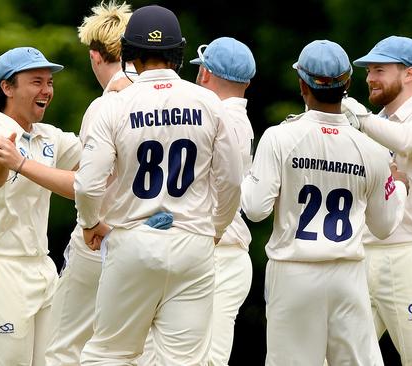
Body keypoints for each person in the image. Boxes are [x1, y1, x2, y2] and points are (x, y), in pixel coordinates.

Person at [74, 5, 243, 365]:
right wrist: (214, 229)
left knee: (108, 354)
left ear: (130, 52)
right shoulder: (209, 103)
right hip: (193, 244)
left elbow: (88, 185)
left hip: (133, 241)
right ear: (178, 53)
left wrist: (90, 222)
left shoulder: (114, 106)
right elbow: (230, 181)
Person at [240, 39, 409, 365]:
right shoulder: (371, 149)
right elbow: (385, 226)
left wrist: (247, 174)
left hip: (293, 275)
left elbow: (255, 209)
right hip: (347, 277)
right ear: (347, 84)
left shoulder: (280, 137)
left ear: (302, 84)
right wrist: (398, 187)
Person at [139, 36, 257, 366]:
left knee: (205, 359)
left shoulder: (216, 116)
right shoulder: (232, 118)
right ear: (246, 82)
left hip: (219, 253)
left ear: (204, 73)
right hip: (211, 252)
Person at [0, 46, 81, 365]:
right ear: (8, 87)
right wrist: (7, 161)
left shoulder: (50, 137)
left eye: (50, 83)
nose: (46, 90)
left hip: (41, 267)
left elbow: (97, 162)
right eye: (37, 82)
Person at [347, 35, 412, 365]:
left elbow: (407, 141)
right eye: (368, 71)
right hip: (360, 257)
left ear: (408, 74)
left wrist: (360, 119)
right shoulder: (370, 123)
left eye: (379, 70)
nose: (369, 78)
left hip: (410, 256)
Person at [45, 2, 133, 364]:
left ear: (96, 56)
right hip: (152, 240)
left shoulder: (105, 105)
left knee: (64, 347)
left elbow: (88, 184)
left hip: (101, 239)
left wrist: (25, 165)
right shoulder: (163, 98)